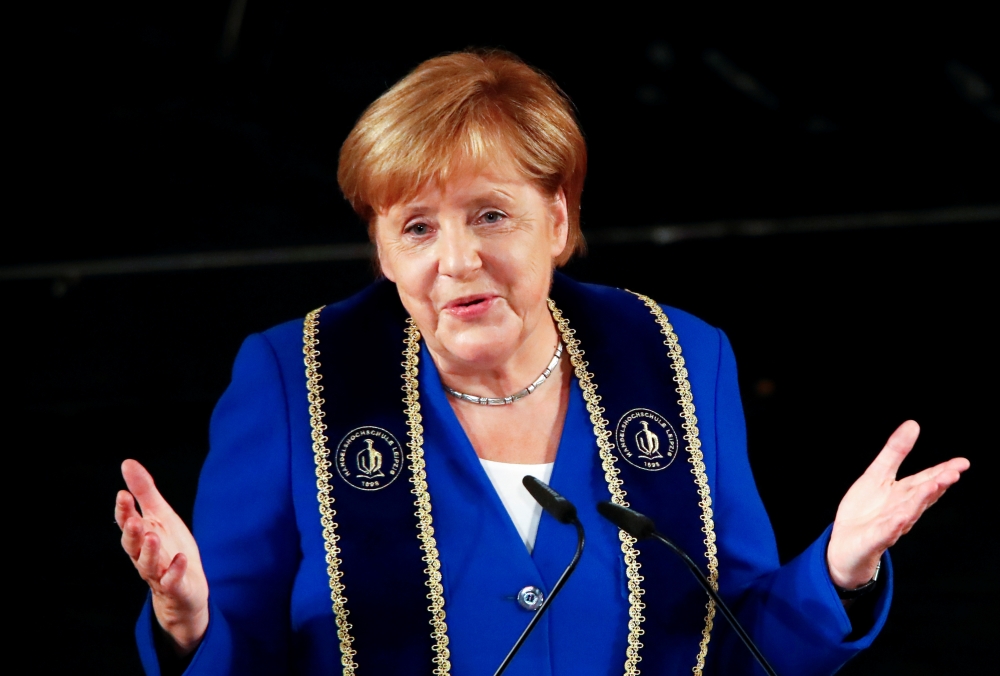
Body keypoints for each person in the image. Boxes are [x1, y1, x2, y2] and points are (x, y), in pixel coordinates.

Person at [115, 49, 969, 676]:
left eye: (491, 215)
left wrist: (837, 569)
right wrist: (187, 619)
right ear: (380, 249)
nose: (457, 259)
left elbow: (740, 650)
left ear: (558, 221)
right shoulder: (293, 379)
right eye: (417, 226)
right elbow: (244, 656)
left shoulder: (678, 361)